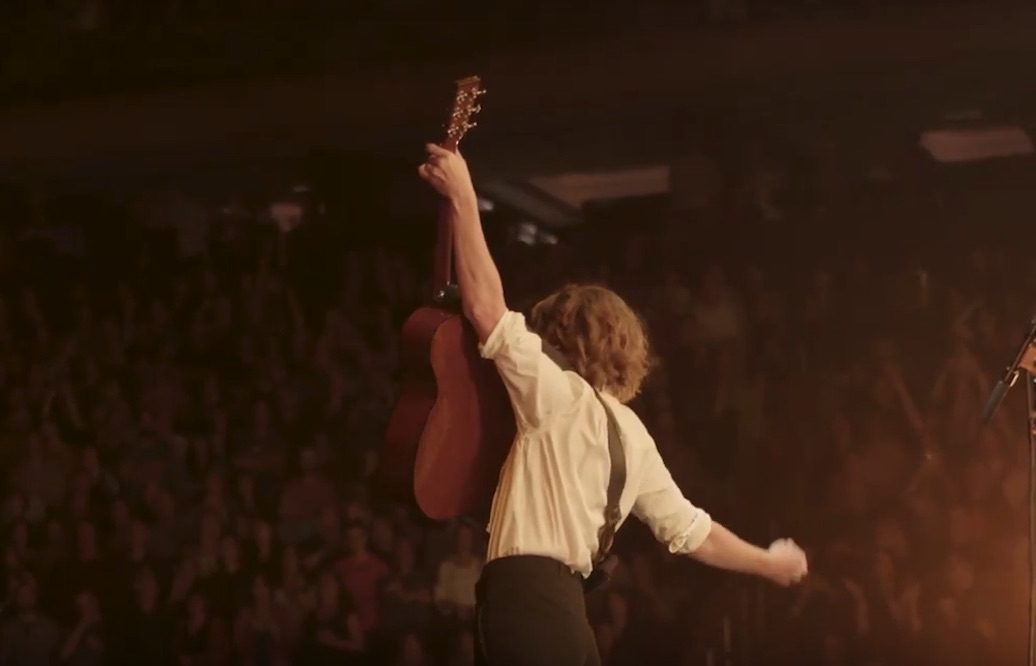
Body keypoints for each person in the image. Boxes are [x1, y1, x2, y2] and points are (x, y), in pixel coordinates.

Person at [418, 143, 809, 666]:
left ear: (562, 341)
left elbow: (486, 308)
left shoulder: (554, 392)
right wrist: (767, 562)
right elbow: (695, 533)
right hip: (565, 607)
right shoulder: (633, 435)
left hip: (526, 596)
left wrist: (464, 194)